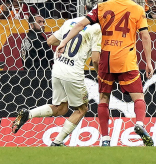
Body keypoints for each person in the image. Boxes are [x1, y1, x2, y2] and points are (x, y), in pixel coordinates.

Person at [56, 0, 155, 146]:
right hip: (126, 59)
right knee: (138, 97)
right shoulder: (137, 9)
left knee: (104, 99)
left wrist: (64, 42)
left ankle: (105, 139)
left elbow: (80, 24)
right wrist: (148, 62)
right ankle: (139, 124)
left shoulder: (101, 7)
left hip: (106, 58)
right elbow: (145, 37)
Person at [12, 15, 102, 146]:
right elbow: (95, 59)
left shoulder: (71, 22)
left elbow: (50, 41)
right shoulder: (97, 28)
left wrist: (67, 43)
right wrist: (99, 74)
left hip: (58, 69)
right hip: (73, 72)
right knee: (82, 109)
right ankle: (58, 141)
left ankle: (29, 113)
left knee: (61, 108)